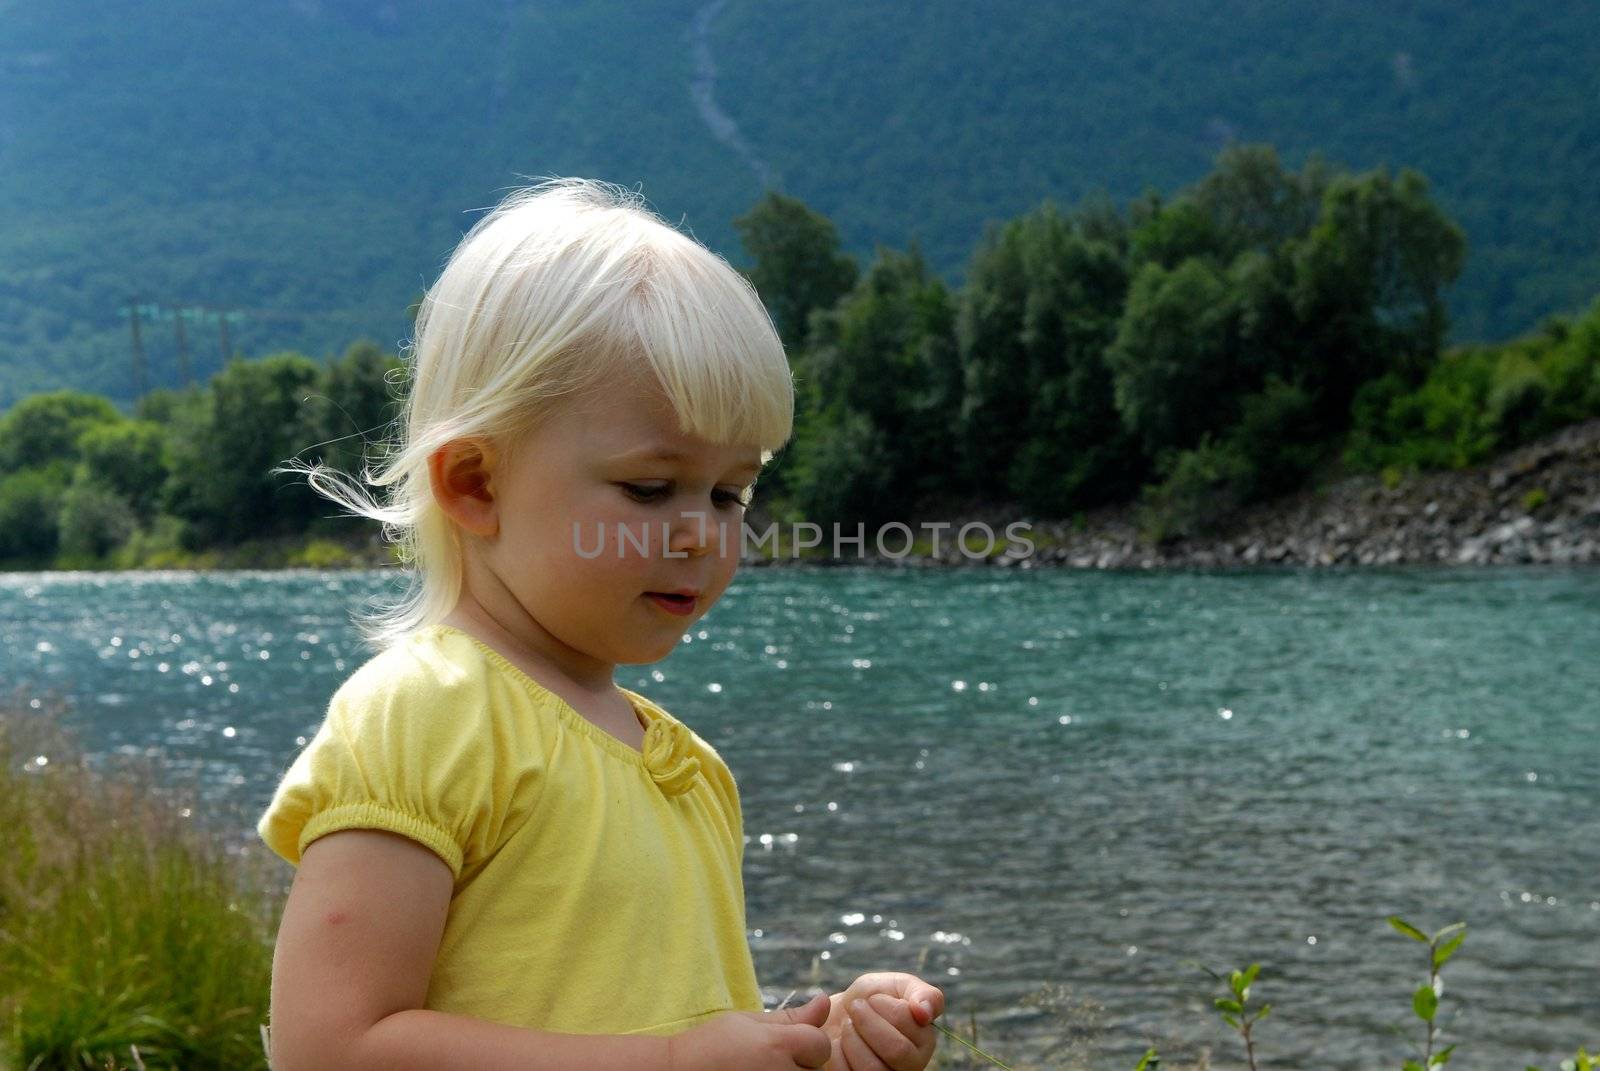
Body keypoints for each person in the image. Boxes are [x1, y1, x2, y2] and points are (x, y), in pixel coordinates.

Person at [255, 178, 945, 1071]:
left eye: (731, 491)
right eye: (650, 488)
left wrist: (817, 1033)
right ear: (475, 483)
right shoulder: (428, 713)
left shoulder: (691, 770)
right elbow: (330, 1046)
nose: (704, 531)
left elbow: (644, 1017)